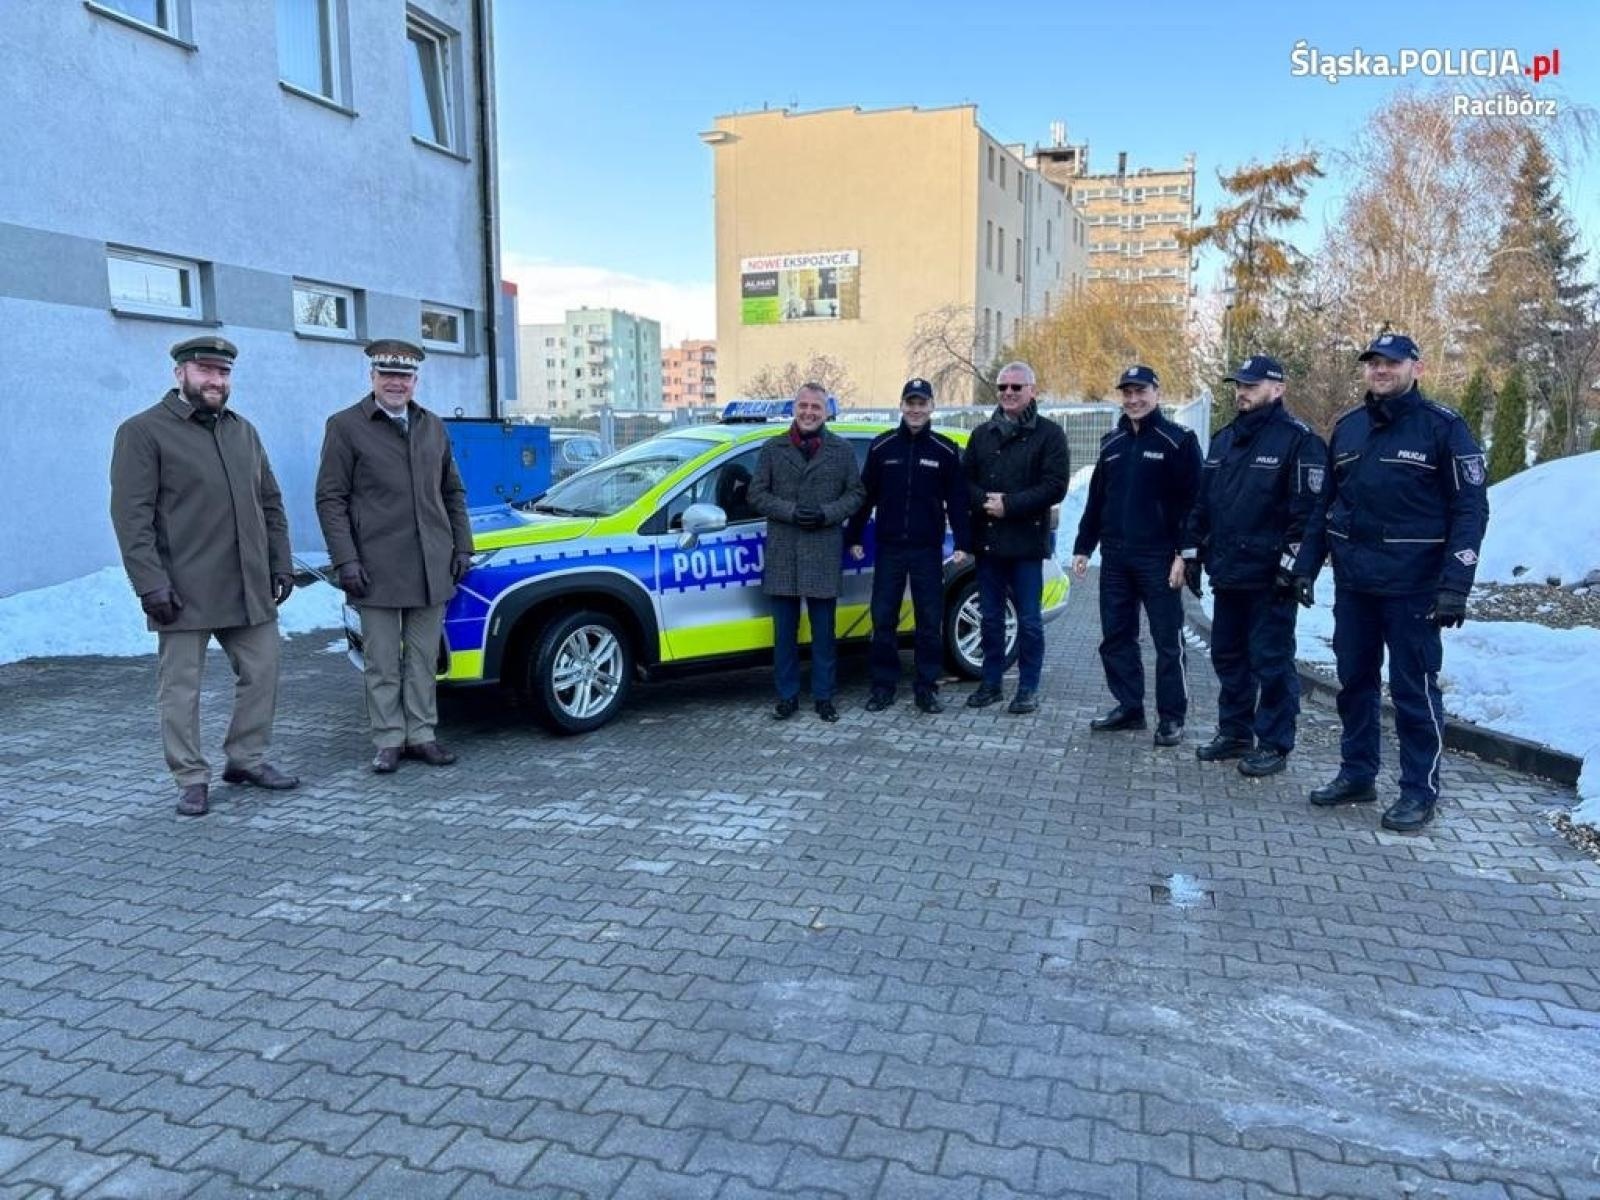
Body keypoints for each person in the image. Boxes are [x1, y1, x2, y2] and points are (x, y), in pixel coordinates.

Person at [109, 336, 299, 817]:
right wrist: (150, 583)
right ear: (180, 374)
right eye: (205, 372)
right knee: (181, 688)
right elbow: (132, 517)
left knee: (263, 672)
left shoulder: (243, 431)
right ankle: (191, 777)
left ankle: (246, 759)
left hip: (247, 583)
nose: (216, 381)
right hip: (183, 587)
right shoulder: (143, 431)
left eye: (224, 374)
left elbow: (271, 503)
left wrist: (280, 562)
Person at [1310, 334, 1489, 831]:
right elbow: (1326, 508)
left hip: (1414, 590)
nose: (1381, 370)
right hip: (1356, 587)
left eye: (1392, 362)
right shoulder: (1347, 429)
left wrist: (1456, 583)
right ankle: (1357, 773)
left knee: (1413, 691)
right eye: (1374, 363)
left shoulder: (1444, 429)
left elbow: (1471, 509)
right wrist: (1305, 567)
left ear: (1418, 368)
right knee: (1355, 685)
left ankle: (1419, 790)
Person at [315, 340, 473, 774]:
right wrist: (345, 560)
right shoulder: (346, 426)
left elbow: (452, 492)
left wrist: (463, 545)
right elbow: (331, 498)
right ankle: (388, 739)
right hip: (375, 567)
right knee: (382, 661)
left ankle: (421, 734)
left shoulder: (432, 426)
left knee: (423, 660)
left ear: (415, 382)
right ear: (372, 378)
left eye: (403, 377)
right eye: (387, 375)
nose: (395, 383)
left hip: (430, 565)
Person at [1180, 355, 1327, 777]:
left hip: (1269, 579)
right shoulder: (1224, 440)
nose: (1242, 392)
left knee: (1271, 661)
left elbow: (1309, 513)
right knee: (1229, 656)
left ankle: (1275, 743)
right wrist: (1192, 552)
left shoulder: (1299, 441)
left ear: (1277, 389)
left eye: (1251, 385)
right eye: (1239, 385)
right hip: (1228, 572)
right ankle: (1235, 732)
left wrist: (1292, 567)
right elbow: (1202, 505)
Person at [1072, 364, 1202, 746]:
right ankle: (1130, 707)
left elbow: (1194, 503)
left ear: (1156, 393)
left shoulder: (1178, 441)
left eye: (1140, 391)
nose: (1133, 399)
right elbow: (1097, 500)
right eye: (1126, 393)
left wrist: (1185, 555)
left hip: (1159, 557)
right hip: (1115, 557)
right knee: (1116, 636)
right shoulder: (1111, 444)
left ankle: (1172, 717)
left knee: (1167, 640)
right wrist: (1083, 546)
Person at [846, 377, 972, 714]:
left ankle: (926, 687)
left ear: (931, 407)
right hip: (889, 549)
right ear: (901, 406)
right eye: (910, 402)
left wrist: (963, 540)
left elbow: (957, 501)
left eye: (922, 403)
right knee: (883, 618)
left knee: (929, 621)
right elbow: (865, 495)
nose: (915, 409)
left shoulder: (945, 451)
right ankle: (883, 686)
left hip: (927, 551)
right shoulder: (882, 447)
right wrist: (854, 536)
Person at [748, 383, 865, 722]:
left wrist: (828, 514)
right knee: (784, 634)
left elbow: (856, 494)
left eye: (816, 407)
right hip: (784, 551)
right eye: (803, 406)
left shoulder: (841, 450)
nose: (809, 413)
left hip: (823, 549)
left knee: (823, 633)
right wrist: (790, 510)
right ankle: (787, 697)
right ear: (794, 408)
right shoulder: (773, 448)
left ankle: (824, 696)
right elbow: (756, 494)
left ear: (826, 411)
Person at [961, 361, 1070, 714]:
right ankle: (991, 683)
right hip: (989, 542)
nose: (1008, 392)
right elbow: (965, 483)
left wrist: (1009, 505)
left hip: (1025, 545)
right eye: (1003, 387)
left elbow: (1055, 486)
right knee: (990, 618)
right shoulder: (981, 435)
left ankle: (1028, 688)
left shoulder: (1050, 435)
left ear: (1032, 391)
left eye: (1016, 387)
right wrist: (985, 503)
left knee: (1029, 621)